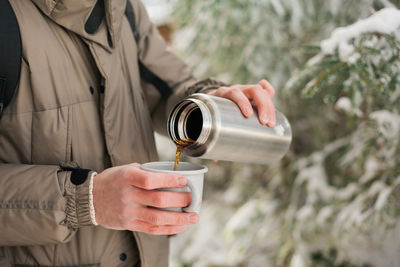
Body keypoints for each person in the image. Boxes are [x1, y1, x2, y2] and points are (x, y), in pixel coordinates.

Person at [0, 0, 276, 266]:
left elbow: (169, 88)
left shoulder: (124, 7)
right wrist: (86, 199)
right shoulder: (7, 20)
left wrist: (211, 105)